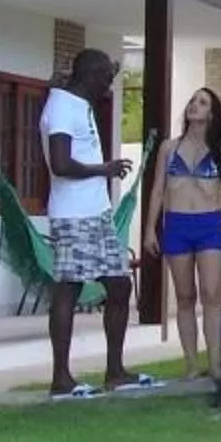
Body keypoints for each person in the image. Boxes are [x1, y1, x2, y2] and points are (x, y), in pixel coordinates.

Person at [39, 48, 153, 399]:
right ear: (91, 74)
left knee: (119, 286)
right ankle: (61, 377)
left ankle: (115, 371)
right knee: (69, 288)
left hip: (96, 212)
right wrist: (103, 169)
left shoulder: (80, 105)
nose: (110, 84)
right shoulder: (60, 107)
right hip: (74, 214)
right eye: (107, 77)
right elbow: (60, 163)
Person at [157, 86, 221, 381]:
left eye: (201, 103)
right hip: (176, 224)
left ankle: (216, 364)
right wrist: (151, 230)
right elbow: (157, 191)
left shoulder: (218, 149)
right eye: (192, 101)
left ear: (211, 114)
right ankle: (191, 364)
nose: (193, 106)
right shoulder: (168, 147)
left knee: (212, 294)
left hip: (209, 224)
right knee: (185, 296)